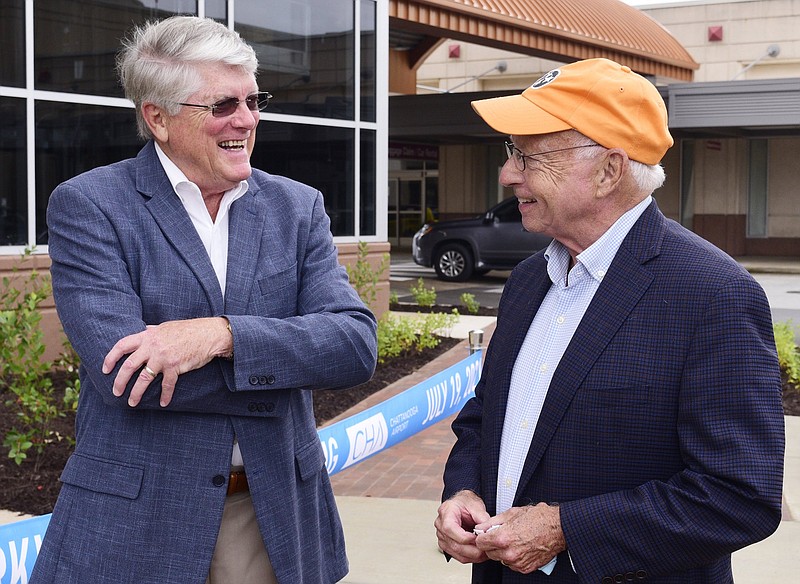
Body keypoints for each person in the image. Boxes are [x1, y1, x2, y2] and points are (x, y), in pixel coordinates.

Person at [32, 15, 377, 584]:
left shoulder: (298, 206)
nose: (247, 119)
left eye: (253, 99)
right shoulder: (91, 206)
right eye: (221, 105)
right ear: (158, 118)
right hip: (138, 524)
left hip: (275, 521)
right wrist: (283, 364)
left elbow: (353, 348)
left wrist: (220, 336)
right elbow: (127, 379)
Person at [434, 58, 785, 583]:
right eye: (512, 153)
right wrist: (464, 490)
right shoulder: (531, 280)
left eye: (528, 156)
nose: (508, 174)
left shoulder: (714, 295)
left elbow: (740, 495)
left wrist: (565, 529)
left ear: (608, 171)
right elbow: (488, 415)